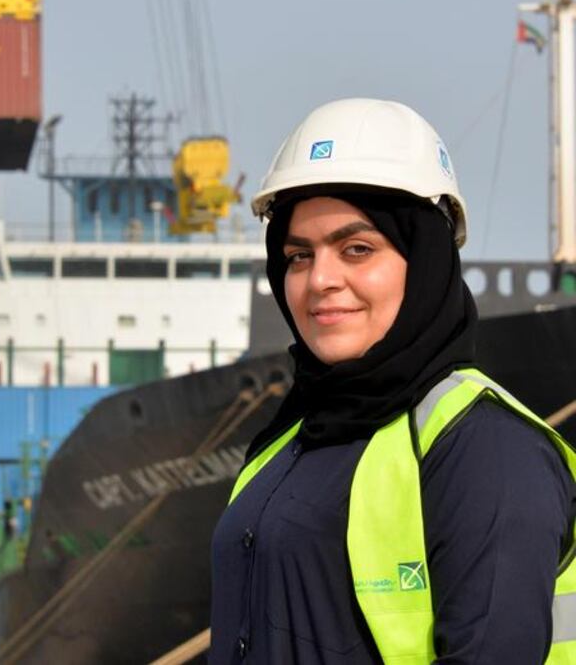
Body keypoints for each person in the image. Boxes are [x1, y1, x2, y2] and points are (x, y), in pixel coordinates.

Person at [209, 98, 576, 664]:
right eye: (298, 255)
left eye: (357, 249)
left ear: (425, 258)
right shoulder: (284, 444)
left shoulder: (485, 450)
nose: (320, 280)